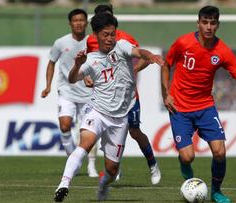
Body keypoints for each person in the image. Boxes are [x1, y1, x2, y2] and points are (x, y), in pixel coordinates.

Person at [161, 6, 236, 203]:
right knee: (187, 157)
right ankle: (185, 166)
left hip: (205, 107)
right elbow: (166, 65)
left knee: (219, 152)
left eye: (212, 23)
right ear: (198, 23)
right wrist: (166, 94)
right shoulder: (183, 42)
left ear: (218, 25)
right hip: (180, 108)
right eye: (205, 22)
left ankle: (216, 191)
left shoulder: (223, 51)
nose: (208, 27)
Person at [53, 13, 164, 202]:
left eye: (112, 34)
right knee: (85, 144)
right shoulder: (90, 59)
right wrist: (76, 65)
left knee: (112, 169)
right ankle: (63, 184)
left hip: (120, 118)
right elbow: (72, 79)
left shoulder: (122, 47)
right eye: (105, 34)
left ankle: (104, 185)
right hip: (97, 111)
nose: (110, 38)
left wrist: (150, 55)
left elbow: (139, 52)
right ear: (96, 34)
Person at [85, 4, 161, 184]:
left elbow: (142, 57)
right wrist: (87, 77)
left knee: (134, 131)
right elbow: (89, 63)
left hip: (128, 98)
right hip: (105, 97)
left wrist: (133, 69)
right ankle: (114, 168)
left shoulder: (125, 39)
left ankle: (152, 164)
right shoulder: (90, 41)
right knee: (104, 131)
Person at [41, 8, 98, 178]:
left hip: (88, 93)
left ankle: (92, 166)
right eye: (75, 20)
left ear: (86, 22)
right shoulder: (60, 43)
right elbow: (51, 63)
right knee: (65, 125)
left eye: (82, 20)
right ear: (70, 23)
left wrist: (92, 78)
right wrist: (48, 86)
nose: (79, 23)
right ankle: (72, 158)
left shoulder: (93, 42)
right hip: (67, 90)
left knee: (88, 131)